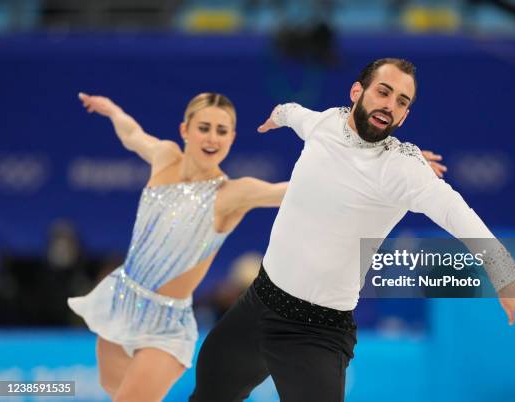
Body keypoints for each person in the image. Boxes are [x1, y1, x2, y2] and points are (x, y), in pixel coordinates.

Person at [189, 58, 515, 402]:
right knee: (207, 392)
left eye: (401, 101)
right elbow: (295, 113)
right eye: (383, 91)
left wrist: (504, 274)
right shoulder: (327, 123)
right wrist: (277, 116)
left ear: (405, 116)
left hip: (315, 332)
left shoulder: (403, 170)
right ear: (356, 92)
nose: (390, 104)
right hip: (258, 302)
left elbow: (459, 215)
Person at [68, 90, 448, 401]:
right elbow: (133, 134)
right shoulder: (164, 156)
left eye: (222, 130)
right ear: (185, 129)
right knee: (112, 389)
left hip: (165, 324)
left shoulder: (234, 192)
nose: (212, 138)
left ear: (232, 139)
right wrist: (113, 110)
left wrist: (397, 166)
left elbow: (305, 187)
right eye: (204, 127)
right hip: (121, 299)